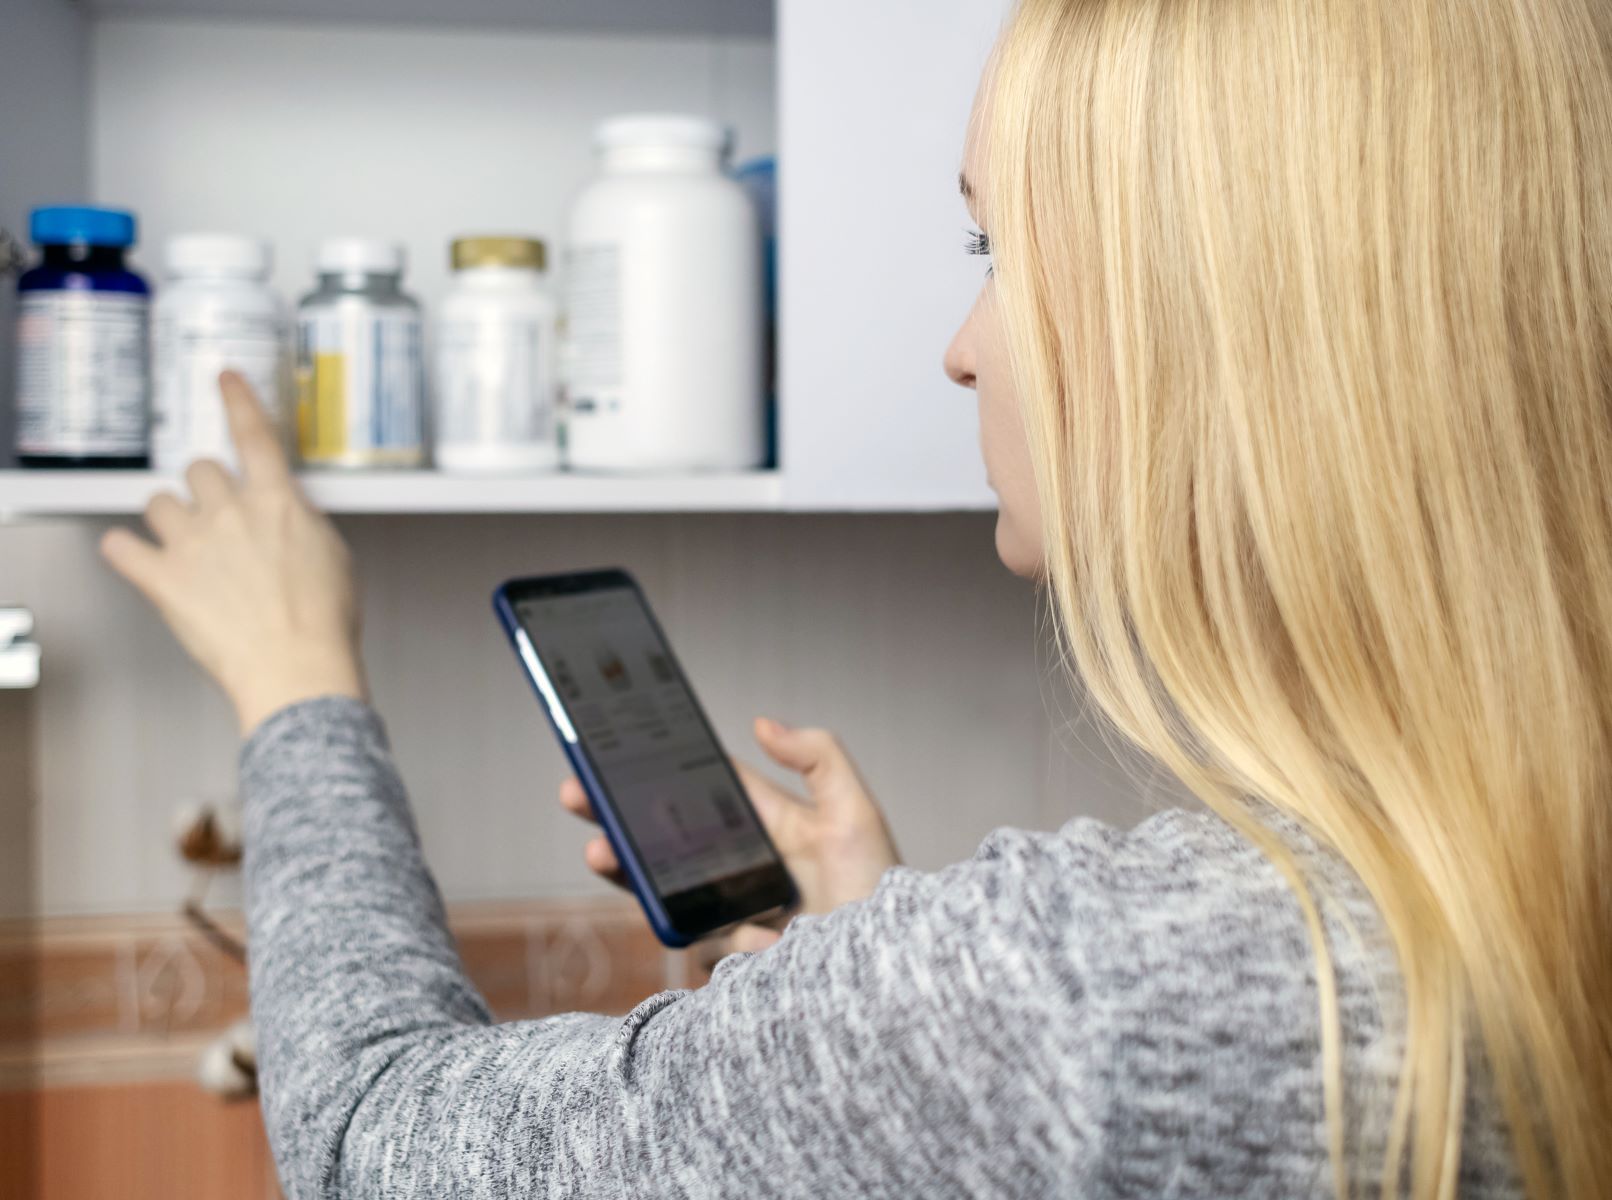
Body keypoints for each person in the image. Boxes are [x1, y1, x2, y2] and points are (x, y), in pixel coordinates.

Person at [101, 0, 1612, 1195]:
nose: (962, 345)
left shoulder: (1063, 996)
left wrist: (294, 680)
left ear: (1212, 326)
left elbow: (376, 1142)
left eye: (996, 248)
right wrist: (885, 978)